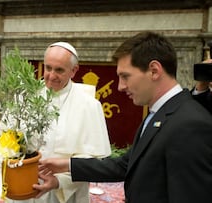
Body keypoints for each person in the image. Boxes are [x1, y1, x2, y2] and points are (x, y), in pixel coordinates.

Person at [38, 32, 212, 203]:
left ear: (154, 71)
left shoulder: (190, 124)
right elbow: (124, 166)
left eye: (125, 76)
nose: (120, 87)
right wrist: (66, 165)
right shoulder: (162, 113)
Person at [0, 42, 112, 203]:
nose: (51, 76)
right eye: (48, 68)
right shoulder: (25, 97)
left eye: (59, 70)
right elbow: (4, 141)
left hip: (65, 193)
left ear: (74, 70)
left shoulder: (89, 106)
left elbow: (93, 163)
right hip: (22, 191)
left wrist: (59, 182)